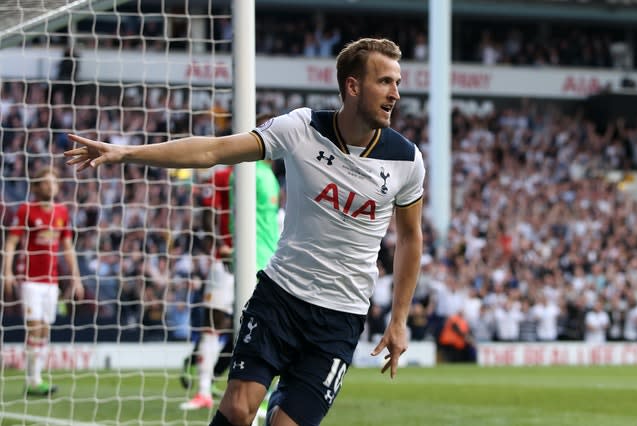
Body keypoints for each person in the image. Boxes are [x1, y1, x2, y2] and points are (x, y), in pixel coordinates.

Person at [65, 37, 425, 426]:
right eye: (386, 82)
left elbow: (409, 237)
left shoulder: (407, 160)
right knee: (237, 409)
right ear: (353, 86)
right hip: (281, 297)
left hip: (341, 317)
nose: (396, 94)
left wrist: (399, 319)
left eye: (397, 83)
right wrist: (127, 153)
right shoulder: (301, 128)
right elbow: (213, 151)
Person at [180, 113, 281, 411]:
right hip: (236, 260)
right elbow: (207, 202)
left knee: (250, 328)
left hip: (259, 261)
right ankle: (204, 390)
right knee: (218, 321)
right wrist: (219, 243)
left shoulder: (265, 176)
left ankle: (250, 395)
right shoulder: (242, 173)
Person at [2, 166, 84, 396]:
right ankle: (33, 380)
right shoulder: (26, 209)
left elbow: (67, 247)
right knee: (35, 327)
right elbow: (11, 242)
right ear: (37, 187)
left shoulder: (61, 212)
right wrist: (6, 271)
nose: (51, 186)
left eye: (54, 182)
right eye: (46, 182)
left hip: (51, 281)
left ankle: (35, 377)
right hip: (28, 278)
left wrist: (76, 277)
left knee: (45, 329)